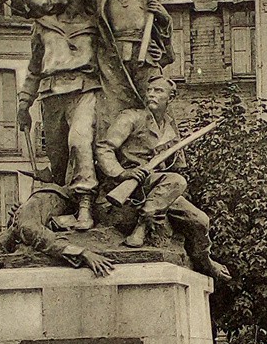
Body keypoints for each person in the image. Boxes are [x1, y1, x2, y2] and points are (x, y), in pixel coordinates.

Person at [0, 0, 101, 231]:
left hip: (84, 90)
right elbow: (34, 68)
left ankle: (85, 208)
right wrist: (24, 103)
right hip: (51, 94)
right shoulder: (43, 24)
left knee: (79, 141)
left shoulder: (95, 24)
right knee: (58, 160)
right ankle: (59, 210)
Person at [95, 76, 230, 281]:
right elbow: (104, 148)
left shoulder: (170, 127)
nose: (151, 94)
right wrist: (122, 173)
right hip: (129, 181)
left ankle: (205, 261)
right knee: (176, 181)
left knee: (201, 220)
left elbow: (177, 168)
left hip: (159, 185)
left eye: (158, 91)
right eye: (150, 90)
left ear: (171, 97)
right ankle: (142, 225)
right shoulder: (131, 117)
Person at [88, 0, 175, 113]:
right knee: (114, 111)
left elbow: (158, 29)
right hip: (112, 59)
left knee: (155, 104)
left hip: (145, 54)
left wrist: (164, 18)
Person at [0, 174, 114, 277]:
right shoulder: (25, 231)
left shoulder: (17, 226)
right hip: (78, 196)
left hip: (75, 192)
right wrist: (83, 253)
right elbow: (45, 239)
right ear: (6, 251)